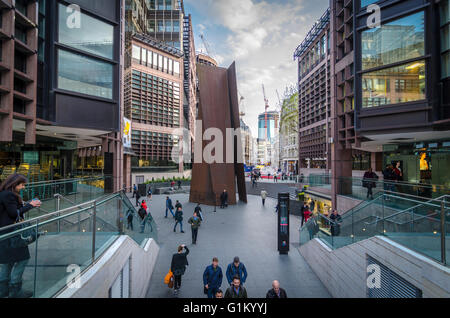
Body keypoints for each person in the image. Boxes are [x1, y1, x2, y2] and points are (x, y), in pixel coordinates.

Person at [0, 174, 42, 298]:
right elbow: (14, 213)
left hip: (4, 233)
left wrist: (26, 204)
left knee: (6, 262)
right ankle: (15, 290)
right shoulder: (9, 195)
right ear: (14, 184)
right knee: (23, 259)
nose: (23, 187)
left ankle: (3, 291)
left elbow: (9, 211)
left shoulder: (3, 193)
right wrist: (31, 205)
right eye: (22, 185)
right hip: (12, 234)